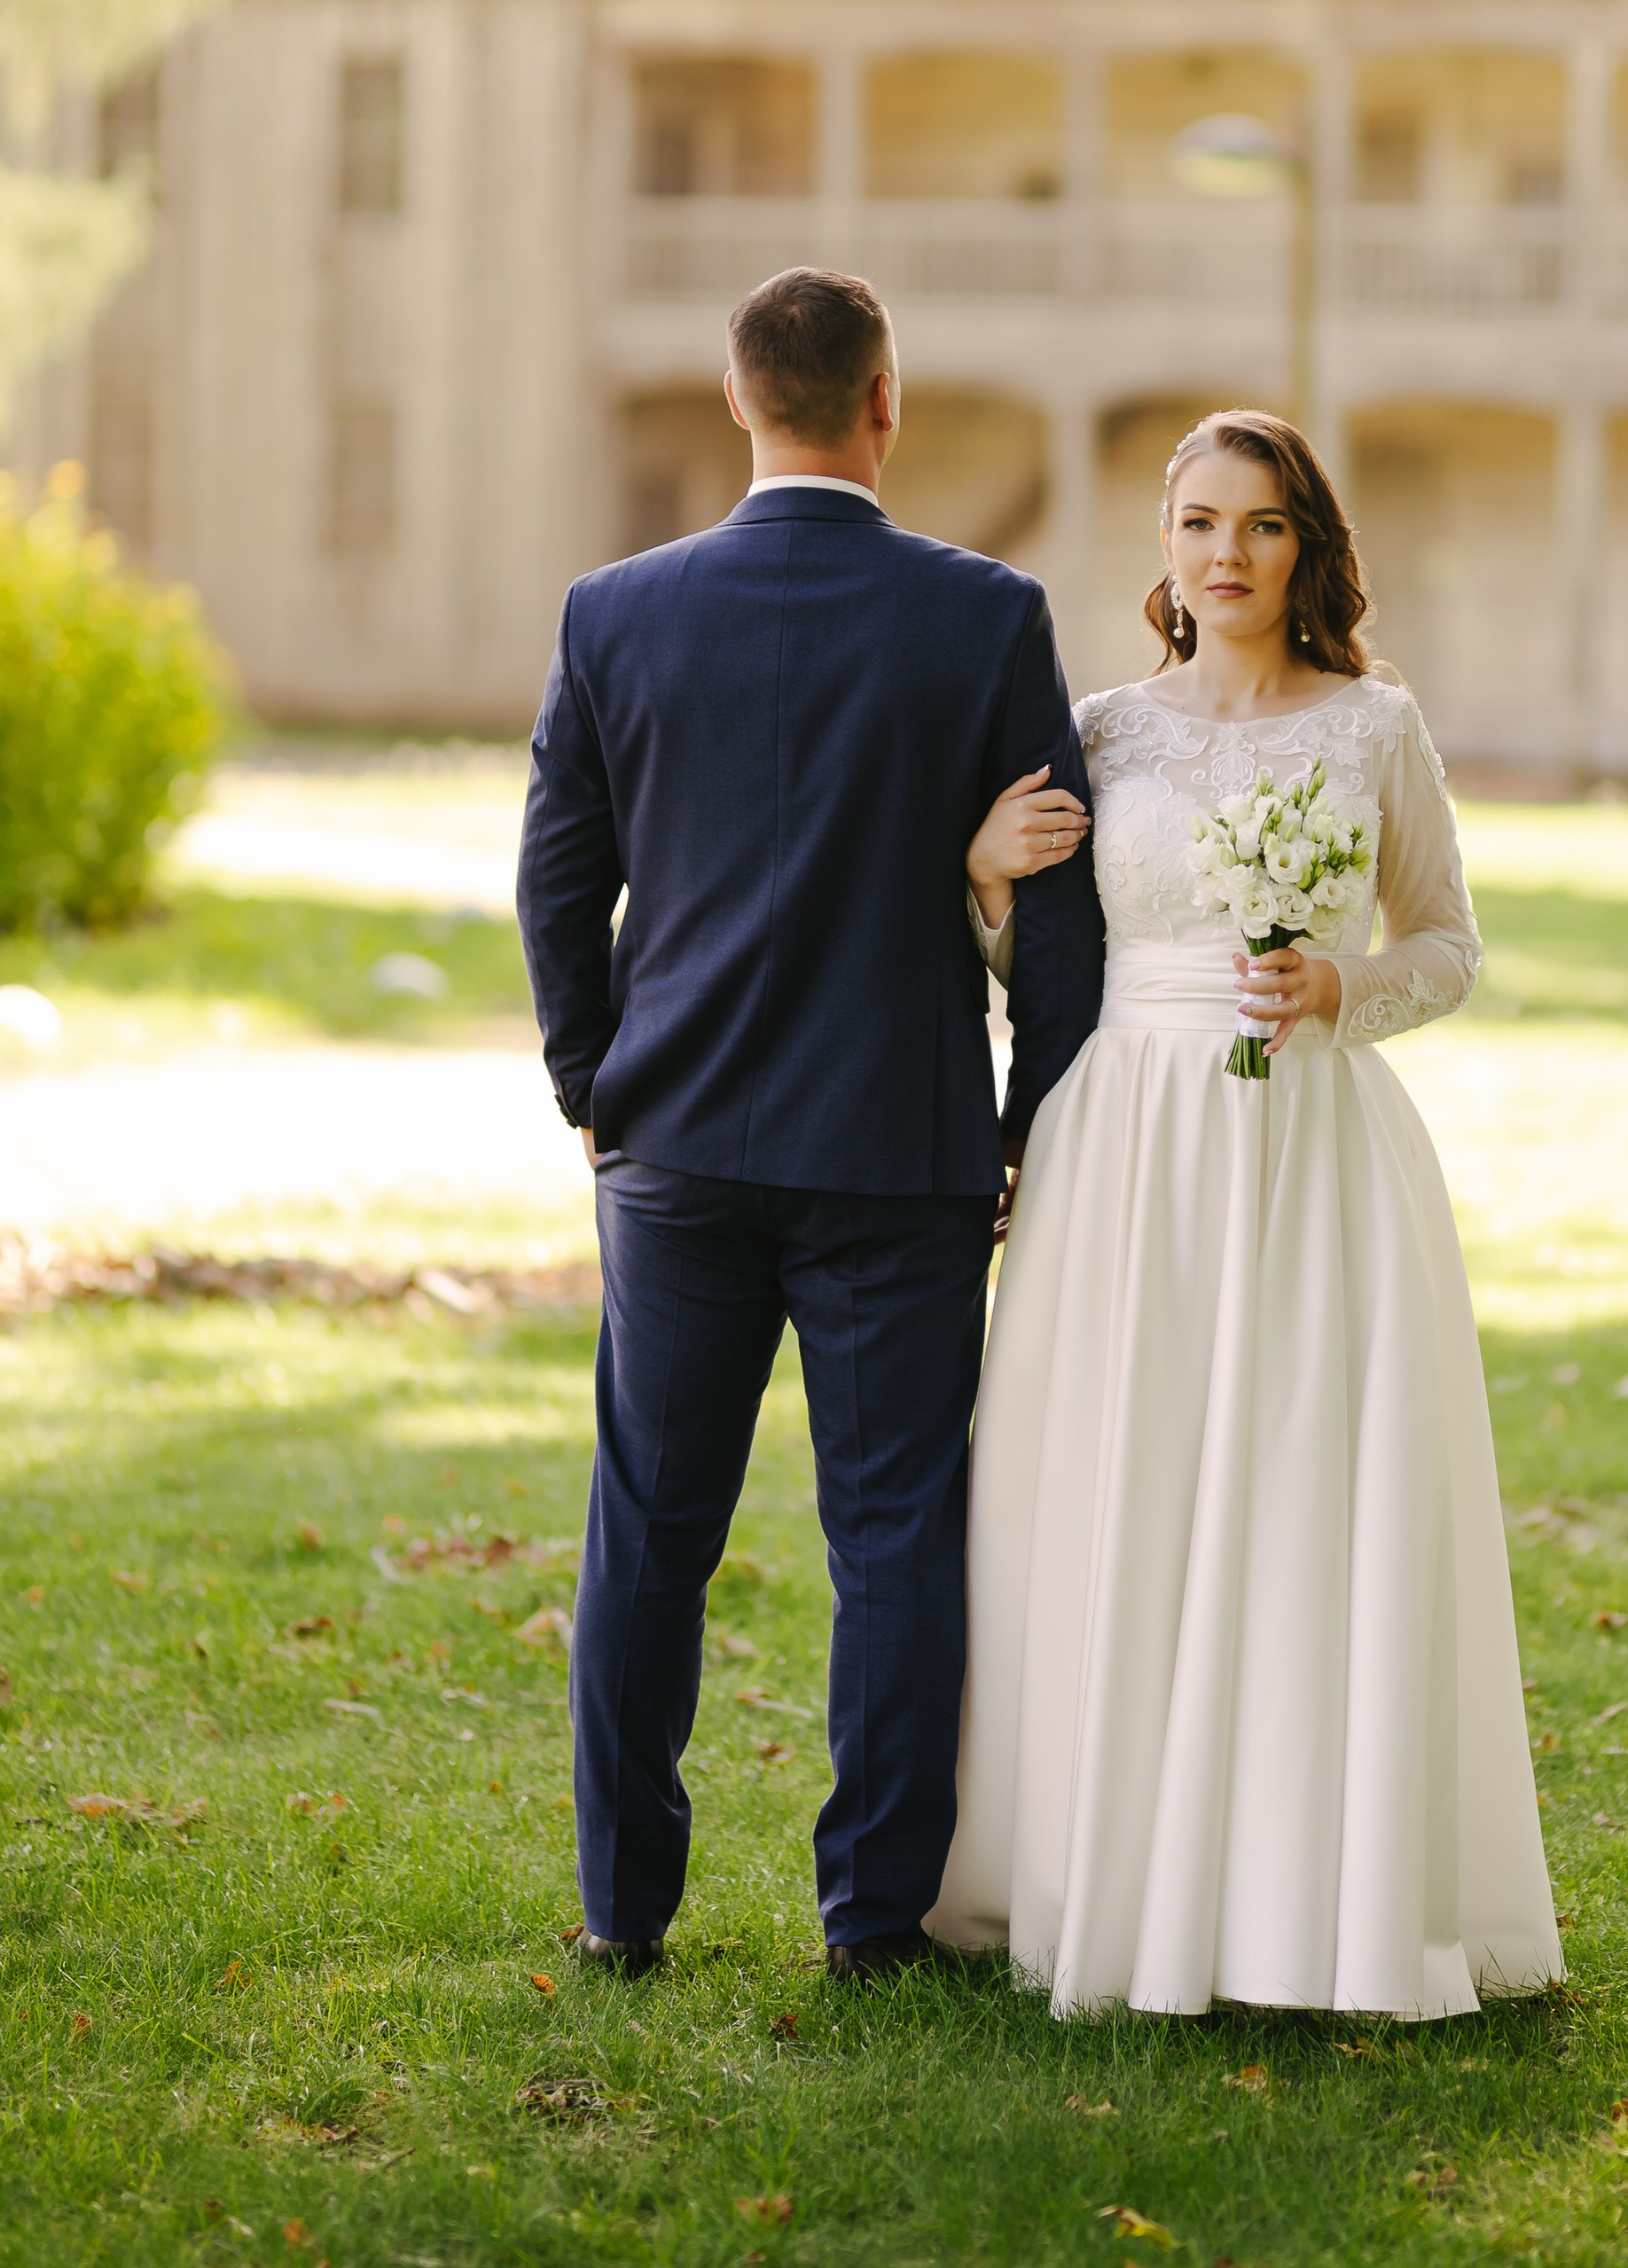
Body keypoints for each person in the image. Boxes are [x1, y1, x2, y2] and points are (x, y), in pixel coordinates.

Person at [931, 408, 1561, 2016]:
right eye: (1201, 523)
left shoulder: (1374, 731)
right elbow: (1047, 971)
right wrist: (991, 886)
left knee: (1295, 1485)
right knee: (1114, 1479)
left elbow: (1448, 945)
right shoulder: (1103, 730)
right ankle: (1098, 1869)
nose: (1228, 556)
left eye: (1263, 526)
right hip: (1121, 1145)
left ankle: (1300, 1898)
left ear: (1308, 549)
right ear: (1164, 543)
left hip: (1311, 1158)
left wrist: (1341, 982)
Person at [515, 267, 1104, 1981]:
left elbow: (559, 885)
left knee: (651, 1534)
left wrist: (593, 1090)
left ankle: (625, 1912)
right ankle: (871, 1920)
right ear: (886, 404)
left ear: (736, 398)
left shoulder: (613, 614)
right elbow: (1056, 898)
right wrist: (1024, 1126)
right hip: (900, 1149)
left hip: (676, 1148)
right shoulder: (984, 616)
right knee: (899, 1534)